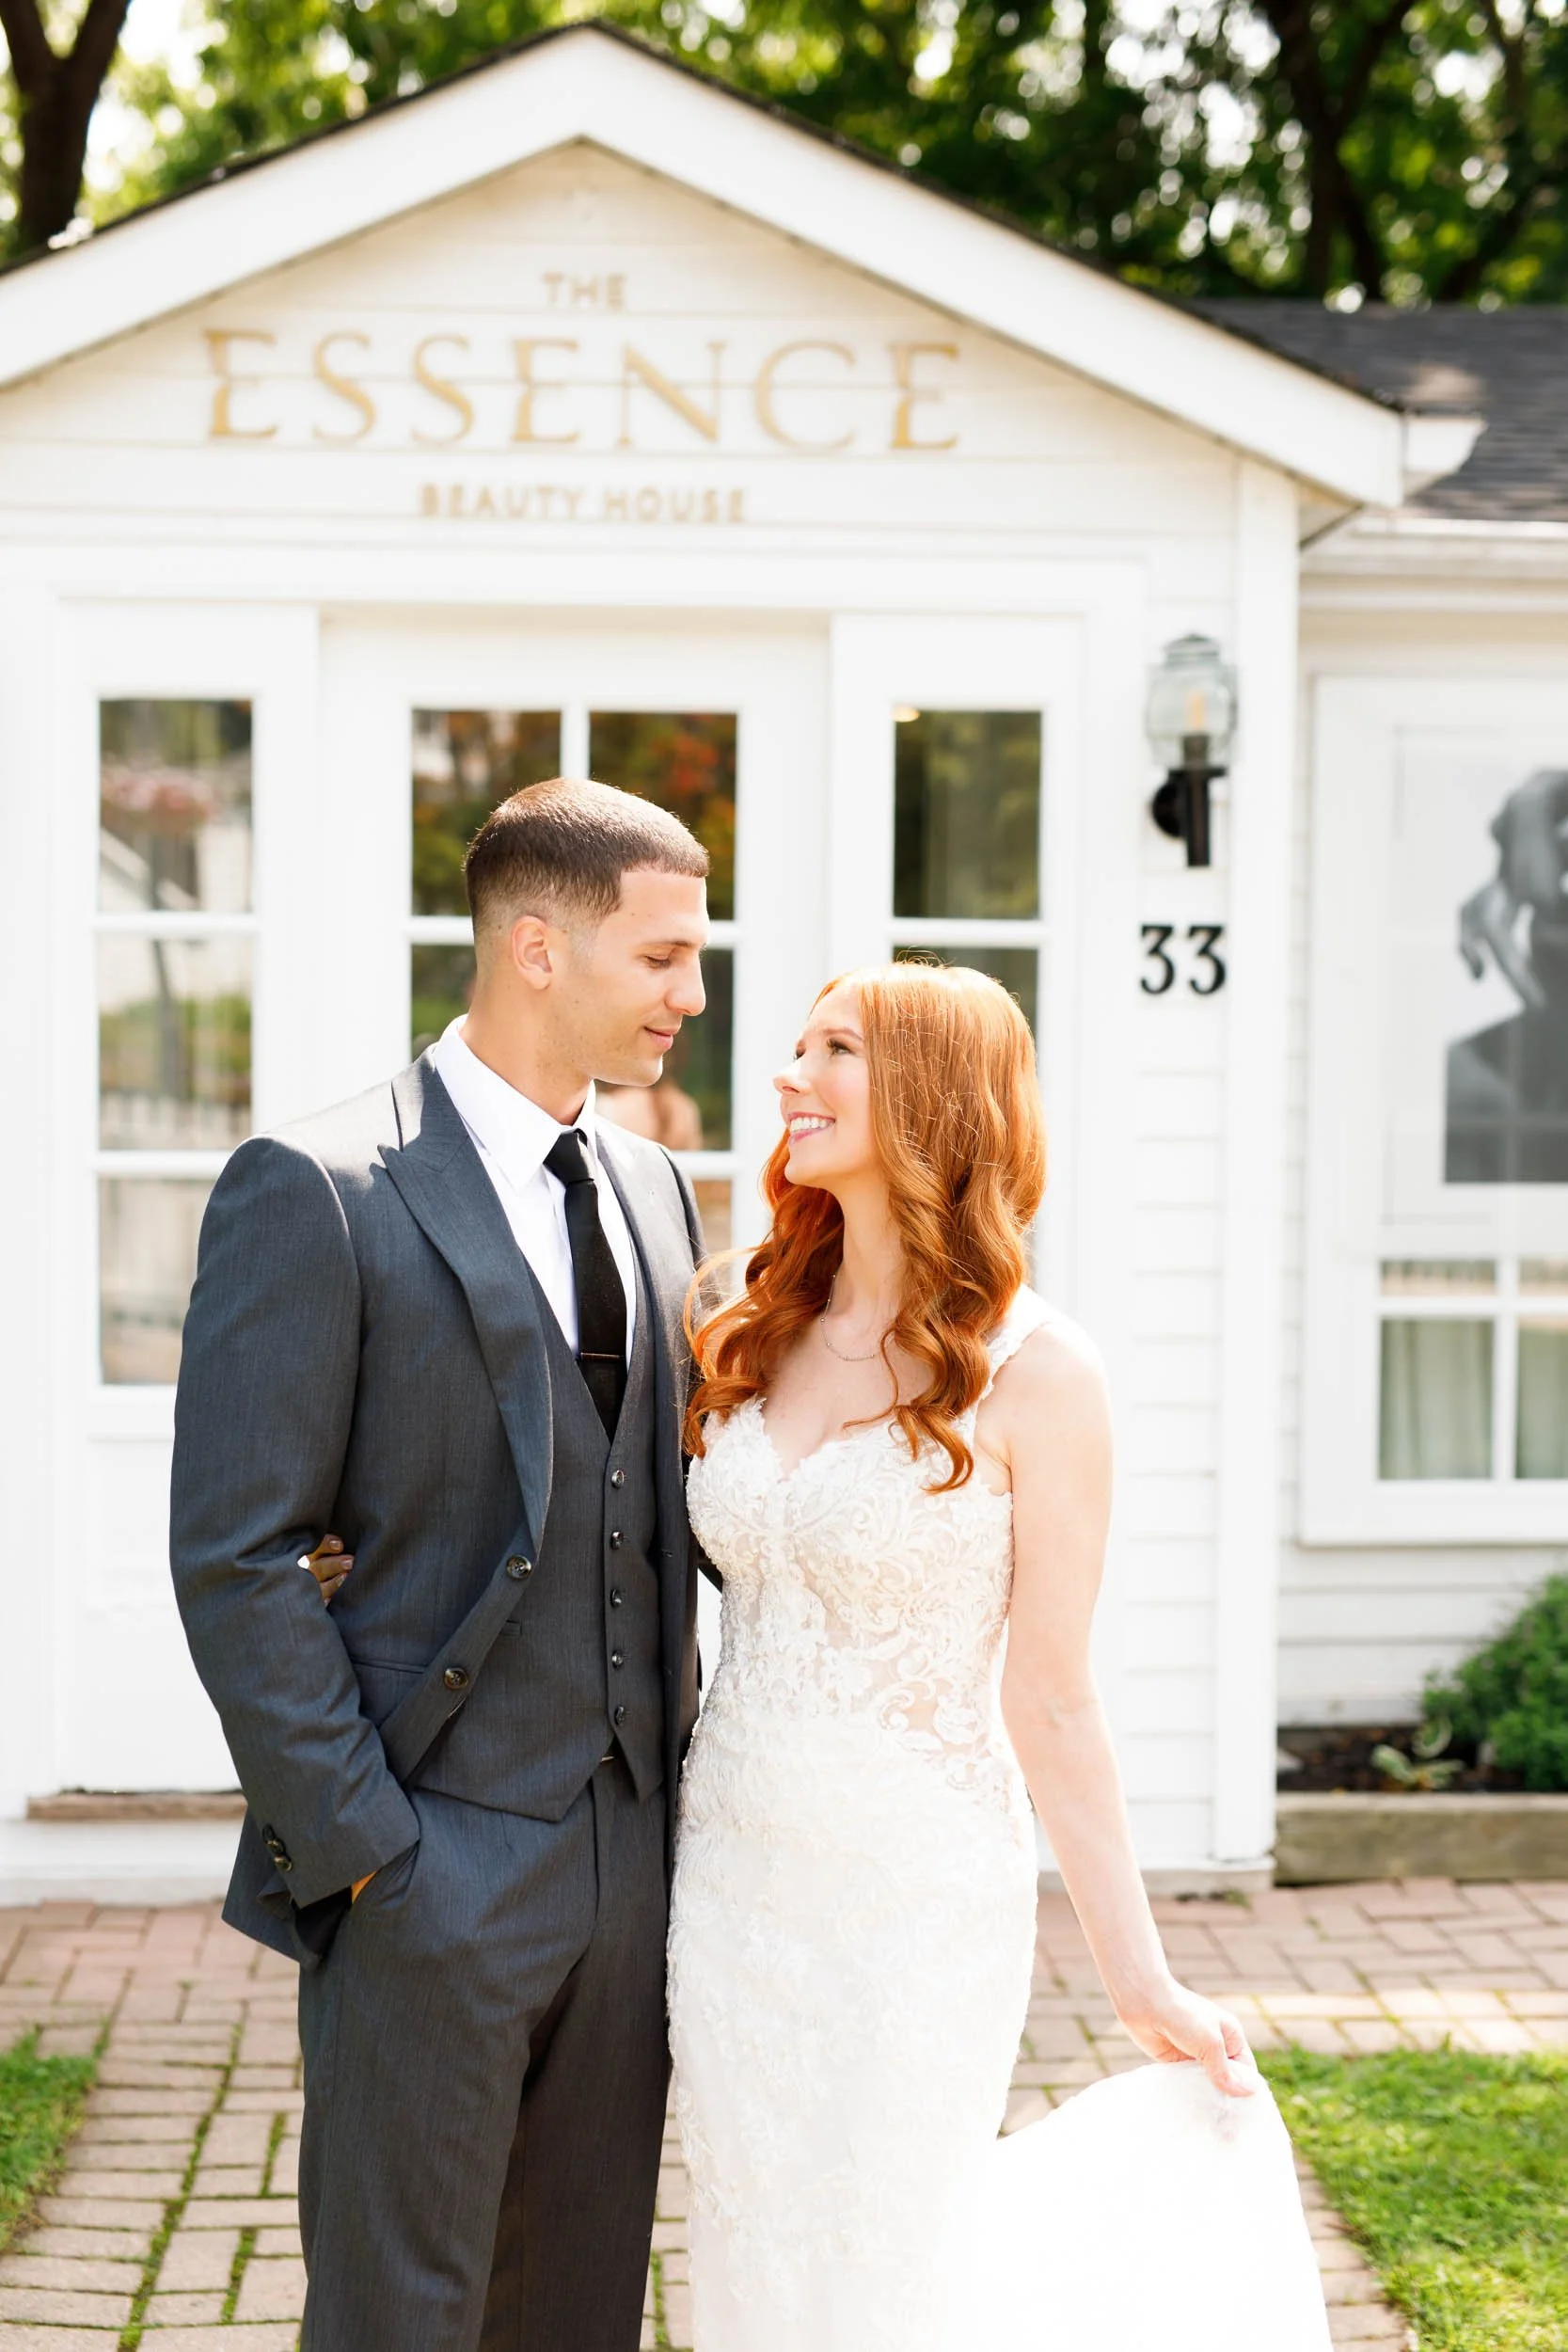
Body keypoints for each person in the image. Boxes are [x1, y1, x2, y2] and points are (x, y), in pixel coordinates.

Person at [307, 958, 1331, 2349]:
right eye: (796, 1048)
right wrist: (365, 1534)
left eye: (832, 1049)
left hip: (914, 1886)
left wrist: (1137, 1974)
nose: (786, 1076)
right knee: (755, 2241)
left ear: (933, 1094)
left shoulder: (1041, 1375)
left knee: (888, 2247)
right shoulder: (741, 1317)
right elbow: (569, 1497)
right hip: (728, 1874)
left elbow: (1053, 1696)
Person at [169, 777, 711, 2352]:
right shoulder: (319, 1186)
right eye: (662, 958)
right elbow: (235, 1552)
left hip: (632, 1863)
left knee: (577, 2309)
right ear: (536, 948)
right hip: (428, 1862)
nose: (691, 995)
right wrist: (367, 1854)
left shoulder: (656, 1190)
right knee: (402, 2316)